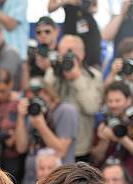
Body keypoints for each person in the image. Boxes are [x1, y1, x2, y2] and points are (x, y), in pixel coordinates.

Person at [44, 35, 102, 163]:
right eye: (62, 52)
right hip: (53, 144)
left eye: (69, 52)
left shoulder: (94, 76)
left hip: (80, 148)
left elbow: (92, 107)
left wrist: (76, 78)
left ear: (81, 54)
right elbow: (47, 99)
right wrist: (54, 72)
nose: (65, 56)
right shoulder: (53, 73)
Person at [14, 80, 78, 184]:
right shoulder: (32, 112)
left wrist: (41, 126)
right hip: (32, 181)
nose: (36, 100)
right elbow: (21, 147)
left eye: (39, 95)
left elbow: (61, 150)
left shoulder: (66, 111)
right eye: (32, 97)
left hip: (59, 183)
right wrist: (20, 116)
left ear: (49, 93)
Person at [47, 0, 101, 68]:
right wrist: (66, 2)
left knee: (92, 60)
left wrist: (84, 5)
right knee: (68, 56)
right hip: (70, 26)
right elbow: (50, 8)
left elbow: (95, 8)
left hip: (88, 27)